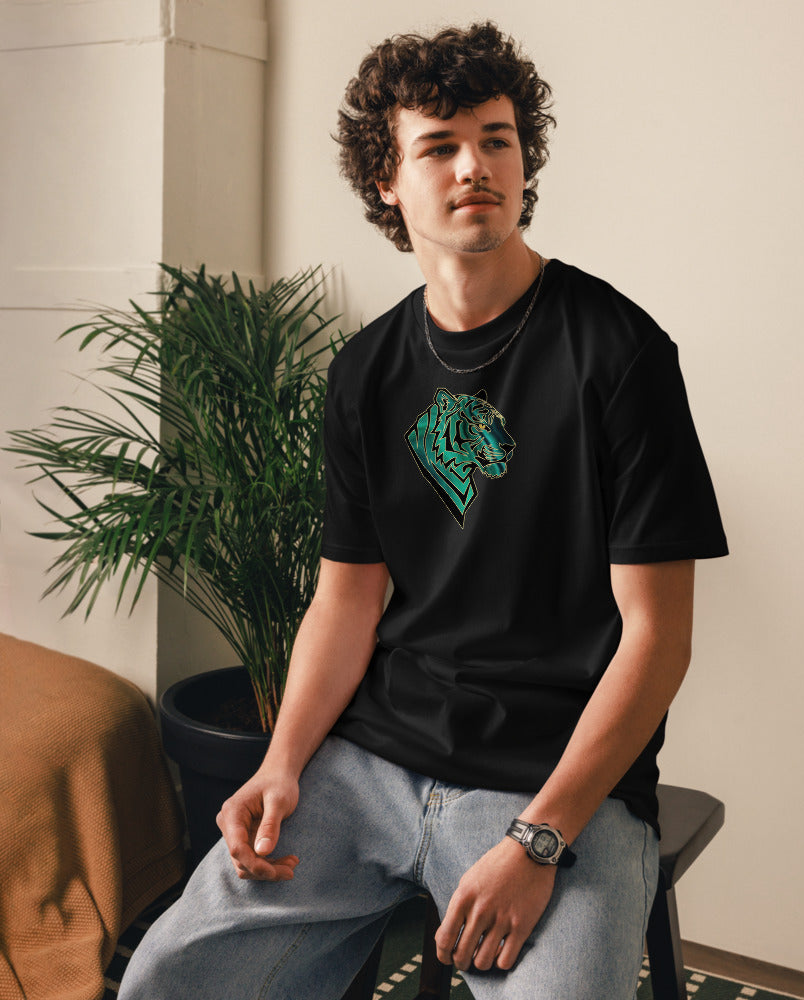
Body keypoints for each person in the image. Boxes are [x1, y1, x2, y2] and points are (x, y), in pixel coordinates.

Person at [119, 21, 727, 1000]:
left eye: (496, 139)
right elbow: (346, 600)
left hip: (552, 782)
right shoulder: (365, 372)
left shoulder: (620, 355)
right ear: (387, 184)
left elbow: (658, 640)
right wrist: (282, 764)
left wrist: (539, 839)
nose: (474, 165)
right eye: (439, 146)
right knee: (164, 978)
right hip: (368, 767)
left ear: (524, 161)